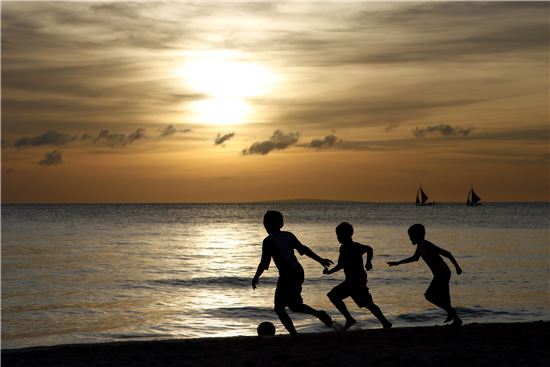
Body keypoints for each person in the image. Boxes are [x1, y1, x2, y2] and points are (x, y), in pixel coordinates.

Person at [252, 210, 334, 336]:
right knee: (294, 306)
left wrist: (256, 276)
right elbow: (304, 249)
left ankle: (294, 335)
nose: (265, 225)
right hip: (298, 272)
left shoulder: (268, 241)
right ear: (281, 224)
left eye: (266, 223)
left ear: (267, 225)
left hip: (288, 274)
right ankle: (318, 314)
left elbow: (264, 262)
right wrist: (321, 260)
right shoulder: (289, 235)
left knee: (279, 308)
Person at [387, 223, 463, 326]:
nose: (409, 239)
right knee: (444, 297)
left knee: (429, 295)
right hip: (441, 273)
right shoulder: (420, 246)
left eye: (411, 236)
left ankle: (451, 311)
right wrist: (397, 263)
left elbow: (447, 253)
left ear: (417, 235)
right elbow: (414, 258)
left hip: (442, 273)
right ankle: (456, 318)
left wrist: (457, 267)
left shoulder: (426, 244)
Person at [323, 222, 392, 330]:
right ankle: (384, 322)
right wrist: (368, 262)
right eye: (337, 235)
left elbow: (341, 265)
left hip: (354, 281)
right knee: (368, 303)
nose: (338, 238)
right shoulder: (357, 246)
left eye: (339, 235)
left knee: (334, 295)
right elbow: (369, 249)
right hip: (357, 280)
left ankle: (351, 319)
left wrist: (329, 272)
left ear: (347, 235)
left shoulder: (345, 248)